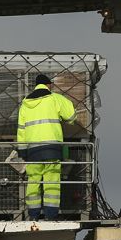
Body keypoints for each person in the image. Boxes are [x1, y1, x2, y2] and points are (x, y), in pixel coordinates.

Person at [16, 74, 76, 220]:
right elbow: (71, 117)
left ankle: (33, 215)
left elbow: (21, 130)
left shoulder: (25, 104)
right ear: (49, 85)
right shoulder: (55, 98)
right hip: (52, 149)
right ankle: (51, 215)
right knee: (52, 182)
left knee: (33, 181)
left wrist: (23, 151)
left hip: (32, 151)